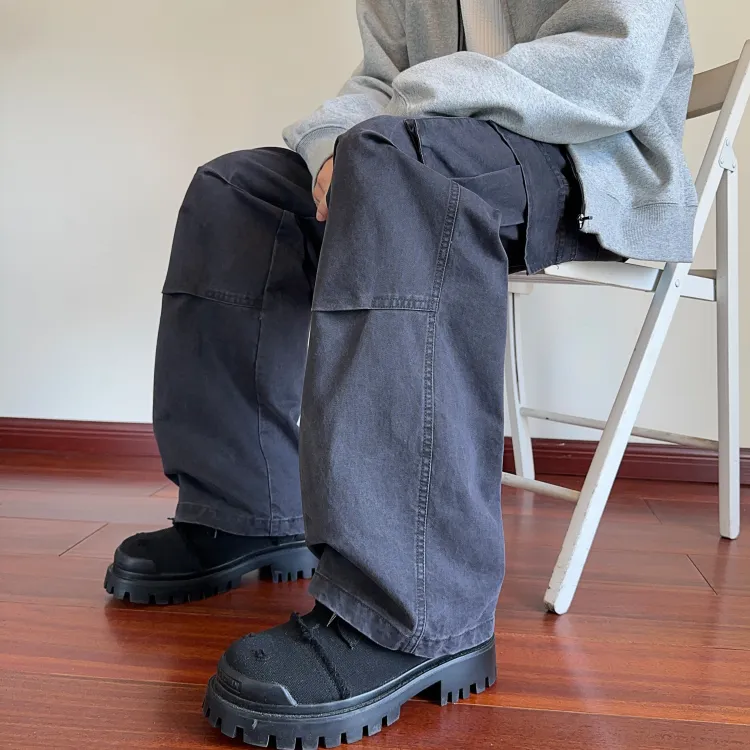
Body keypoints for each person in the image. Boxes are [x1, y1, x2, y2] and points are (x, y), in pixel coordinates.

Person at [105, 1, 696, 746]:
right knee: (238, 191)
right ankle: (244, 509)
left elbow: (618, 57)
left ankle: (413, 607)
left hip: (588, 156)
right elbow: (382, 79)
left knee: (398, 163)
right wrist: (334, 145)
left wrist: (400, 121)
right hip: (419, 145)